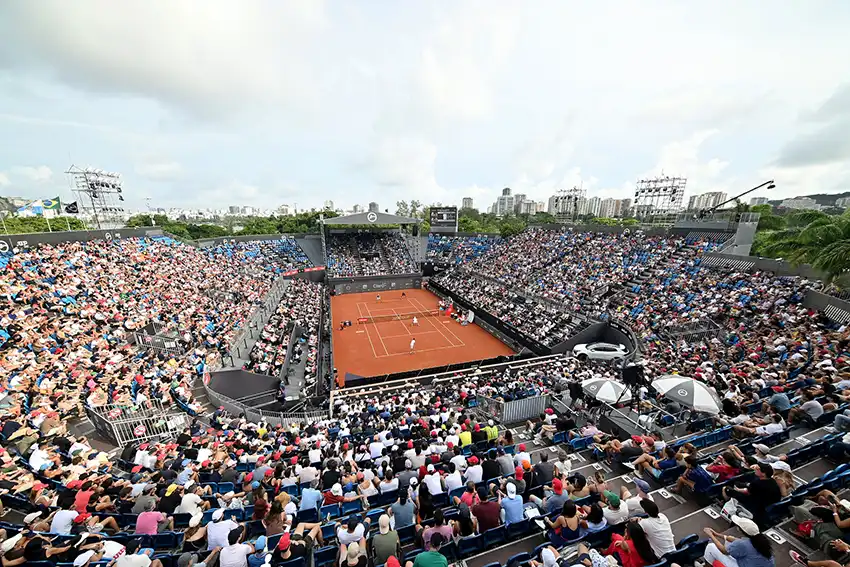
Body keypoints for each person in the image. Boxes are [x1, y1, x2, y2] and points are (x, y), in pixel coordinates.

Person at [703, 515, 775, 567]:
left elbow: (724, 551)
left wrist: (711, 535)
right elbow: (737, 541)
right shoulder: (761, 541)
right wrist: (717, 534)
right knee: (730, 539)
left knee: (710, 547)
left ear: (740, 530)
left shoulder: (742, 544)